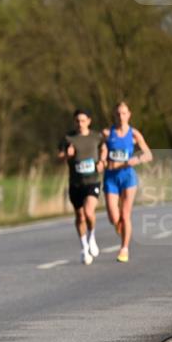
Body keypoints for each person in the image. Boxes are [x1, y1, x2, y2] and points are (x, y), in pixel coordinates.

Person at [103, 101, 152, 263]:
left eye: (124, 113)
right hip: (111, 178)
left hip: (128, 177)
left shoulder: (134, 134)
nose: (121, 116)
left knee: (125, 214)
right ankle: (120, 227)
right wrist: (102, 160)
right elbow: (101, 152)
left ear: (129, 115)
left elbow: (148, 154)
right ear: (114, 115)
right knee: (113, 217)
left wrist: (136, 160)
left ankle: (124, 249)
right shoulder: (107, 133)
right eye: (118, 113)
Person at [58, 109, 105, 264]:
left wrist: (102, 161)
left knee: (89, 212)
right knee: (80, 216)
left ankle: (92, 237)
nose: (80, 124)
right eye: (77, 121)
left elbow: (104, 148)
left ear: (89, 121)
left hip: (92, 181)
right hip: (75, 183)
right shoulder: (68, 138)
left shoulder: (96, 137)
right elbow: (59, 156)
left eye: (83, 121)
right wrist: (67, 155)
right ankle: (84, 247)